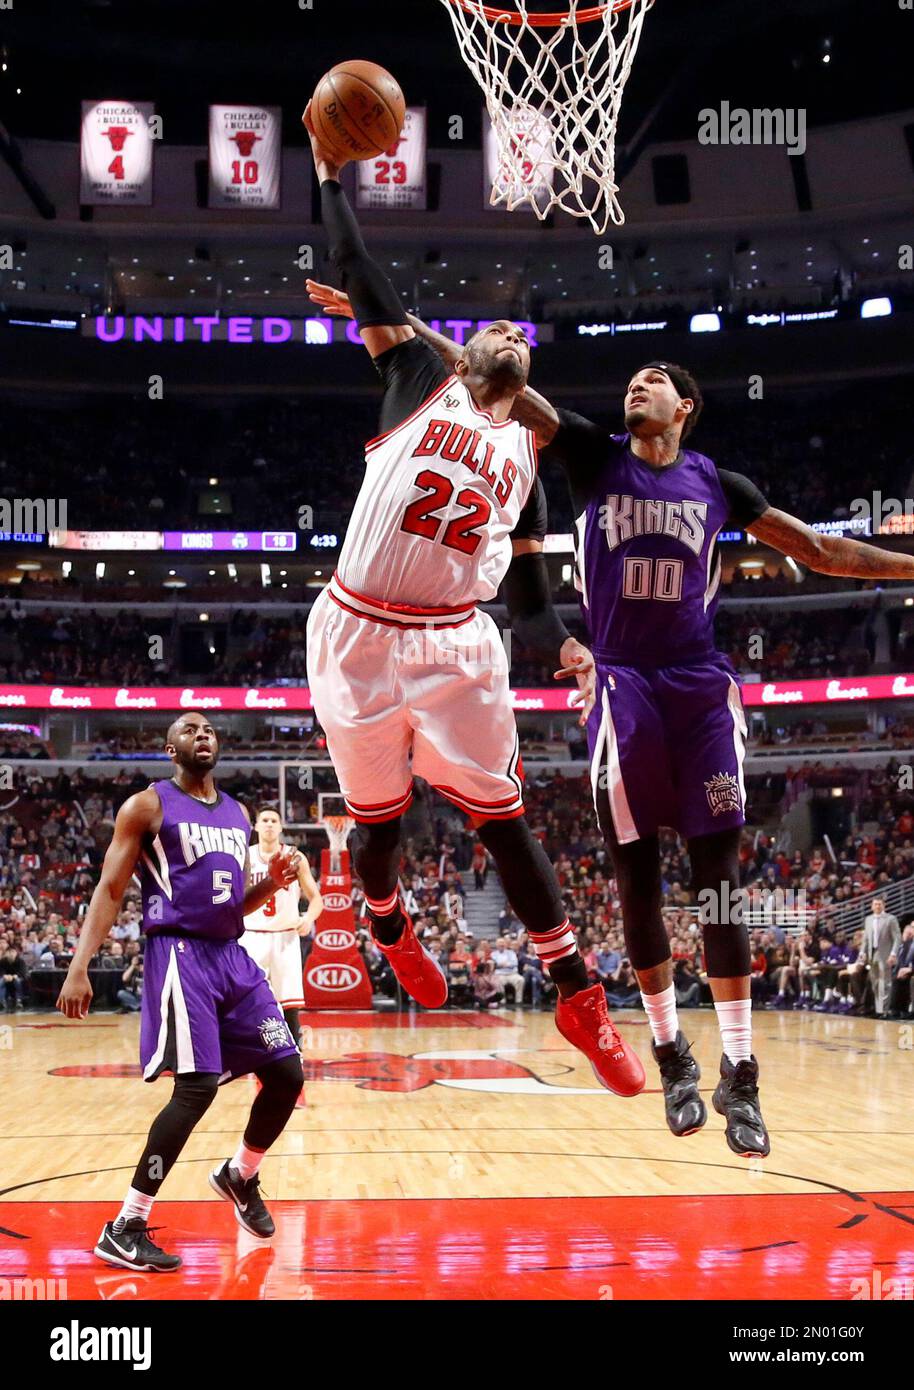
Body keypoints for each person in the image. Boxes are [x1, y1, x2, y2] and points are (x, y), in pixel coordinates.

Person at [387, 312, 914, 1153]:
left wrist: (908, 565)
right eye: (632, 380)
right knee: (636, 879)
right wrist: (406, 329)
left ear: (686, 407)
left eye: (654, 380)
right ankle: (671, 1053)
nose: (637, 385)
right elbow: (501, 380)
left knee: (721, 880)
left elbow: (819, 549)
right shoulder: (595, 455)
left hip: (700, 687)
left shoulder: (720, 485)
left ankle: (739, 1076)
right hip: (622, 682)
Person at [302, 106, 643, 1097]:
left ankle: (577, 992)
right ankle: (388, 924)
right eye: (485, 322)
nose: (498, 324)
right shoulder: (416, 372)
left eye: (511, 325)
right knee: (376, 823)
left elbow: (531, 608)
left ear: (521, 372)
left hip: (456, 644)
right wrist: (330, 175)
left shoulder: (531, 467)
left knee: (502, 816)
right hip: (357, 628)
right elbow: (359, 267)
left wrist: (570, 645)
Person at [56, 712, 304, 1273]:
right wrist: (80, 966)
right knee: (195, 1091)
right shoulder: (147, 805)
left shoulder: (239, 814)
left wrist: (269, 884)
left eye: (210, 729)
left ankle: (239, 1174)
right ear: (171, 748)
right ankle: (126, 1225)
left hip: (231, 955)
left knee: (288, 1072)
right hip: (180, 955)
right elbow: (111, 887)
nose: (203, 735)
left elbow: (228, 901)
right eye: (190, 729)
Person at [239, 805, 323, 1060]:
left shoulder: (295, 858)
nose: (269, 824)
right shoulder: (245, 856)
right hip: (252, 935)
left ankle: (294, 1055)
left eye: (274, 820)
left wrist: (308, 917)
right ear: (255, 826)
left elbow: (316, 898)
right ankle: (250, 1051)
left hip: (286, 936)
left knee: (290, 1003)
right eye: (264, 820)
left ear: (281, 826)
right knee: (248, 999)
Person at [859, 897, 902, 1017]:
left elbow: (897, 938)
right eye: (875, 904)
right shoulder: (868, 919)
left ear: (884, 906)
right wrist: (862, 952)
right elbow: (866, 939)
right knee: (875, 983)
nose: (877, 906)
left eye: (879, 904)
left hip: (885, 954)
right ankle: (878, 1009)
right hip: (872, 954)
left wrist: (893, 953)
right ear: (872, 906)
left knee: (885, 982)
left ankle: (884, 1011)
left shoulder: (891, 919)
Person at [491, 935, 525, 1008]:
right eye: (499, 943)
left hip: (512, 974)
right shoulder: (493, 954)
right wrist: (504, 964)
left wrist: (503, 964)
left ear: (505, 944)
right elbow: (494, 965)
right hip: (500, 975)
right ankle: (502, 1001)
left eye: (502, 943)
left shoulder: (511, 953)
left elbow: (515, 963)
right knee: (497, 981)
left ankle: (518, 1001)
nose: (501, 944)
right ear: (496, 945)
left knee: (520, 979)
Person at [888, 923, 914, 1017]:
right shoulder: (903, 945)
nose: (908, 935)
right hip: (901, 971)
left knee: (901, 979)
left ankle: (898, 1010)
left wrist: (910, 969)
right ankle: (895, 1010)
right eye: (906, 933)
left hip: (910, 971)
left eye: (910, 933)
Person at [1, 945, 26, 1011]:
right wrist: (4, 975)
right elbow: (1, 971)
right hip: (6, 978)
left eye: (13, 952)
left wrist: (15, 976)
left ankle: (19, 1000)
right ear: (6, 953)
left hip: (17, 977)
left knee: (17, 981)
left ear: (16, 953)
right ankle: (1, 1001)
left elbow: (23, 972)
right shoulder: (2, 961)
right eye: (9, 952)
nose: (11, 954)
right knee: (1, 981)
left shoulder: (21, 961)